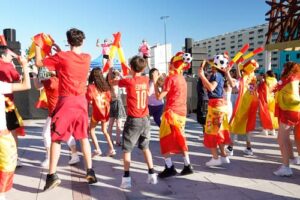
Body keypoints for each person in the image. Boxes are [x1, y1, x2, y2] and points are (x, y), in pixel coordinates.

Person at [35, 28, 97, 191]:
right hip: (81, 103)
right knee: (83, 137)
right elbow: (71, 60)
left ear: (68, 41)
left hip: (66, 102)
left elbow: (39, 63)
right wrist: (60, 51)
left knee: (56, 139)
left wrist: (37, 45)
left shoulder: (62, 57)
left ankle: (52, 175)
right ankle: (90, 170)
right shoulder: (87, 57)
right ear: (82, 41)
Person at [110, 56, 157, 189]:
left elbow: (113, 82)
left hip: (133, 119)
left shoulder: (129, 81)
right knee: (145, 147)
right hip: (146, 119)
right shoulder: (146, 80)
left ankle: (126, 178)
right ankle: (152, 174)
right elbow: (131, 79)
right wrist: (122, 75)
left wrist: (111, 70)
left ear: (131, 67)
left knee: (126, 149)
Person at [153, 52, 194, 177]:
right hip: (182, 113)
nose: (168, 65)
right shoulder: (182, 78)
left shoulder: (170, 78)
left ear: (172, 64)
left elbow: (159, 96)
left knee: (164, 138)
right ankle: (187, 165)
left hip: (171, 113)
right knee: (181, 138)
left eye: (170, 63)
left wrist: (155, 81)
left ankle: (169, 167)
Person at [31, 67, 80, 167]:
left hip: (55, 113)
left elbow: (37, 86)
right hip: (65, 111)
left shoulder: (52, 81)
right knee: (66, 133)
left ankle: (49, 158)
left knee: (46, 134)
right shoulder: (65, 81)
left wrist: (35, 74)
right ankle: (74, 155)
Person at [0, 53, 31, 200]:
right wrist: (24, 65)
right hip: (3, 132)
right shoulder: (2, 80)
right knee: (7, 164)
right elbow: (26, 84)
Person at [198, 55, 231, 167]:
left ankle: (215, 158)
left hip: (216, 107)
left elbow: (211, 88)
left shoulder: (216, 75)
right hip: (219, 106)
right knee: (219, 132)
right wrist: (203, 77)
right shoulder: (220, 75)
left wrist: (202, 75)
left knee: (211, 131)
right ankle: (223, 156)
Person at [227, 60, 259, 157]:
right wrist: (237, 66)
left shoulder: (243, 80)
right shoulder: (253, 79)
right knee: (247, 127)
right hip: (250, 108)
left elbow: (236, 82)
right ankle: (249, 148)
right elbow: (240, 77)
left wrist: (230, 70)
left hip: (241, 107)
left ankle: (230, 148)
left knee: (234, 125)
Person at [273, 62, 300, 176]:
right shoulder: (291, 79)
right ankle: (292, 158)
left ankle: (286, 167)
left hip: (289, 111)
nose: (282, 69)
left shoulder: (292, 79)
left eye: (284, 67)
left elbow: (294, 96)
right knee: (286, 138)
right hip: (289, 111)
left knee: (281, 139)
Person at [0, 45, 24, 167]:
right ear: (3, 55)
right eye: (10, 56)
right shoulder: (8, 66)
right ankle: (15, 158)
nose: (12, 58)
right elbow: (20, 79)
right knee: (12, 130)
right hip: (7, 104)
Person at [86, 67, 116, 157]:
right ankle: (111, 149)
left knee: (91, 130)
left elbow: (88, 99)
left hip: (96, 112)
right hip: (105, 112)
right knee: (104, 130)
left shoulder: (91, 87)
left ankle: (97, 149)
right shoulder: (106, 87)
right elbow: (110, 98)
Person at [107, 68, 126, 146]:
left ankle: (111, 140)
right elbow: (125, 80)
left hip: (112, 103)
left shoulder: (109, 82)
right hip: (117, 103)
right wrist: (119, 73)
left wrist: (111, 72)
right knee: (118, 124)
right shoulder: (114, 82)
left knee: (111, 124)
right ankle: (117, 140)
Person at [257, 70, 278, 136]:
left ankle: (265, 129)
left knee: (264, 114)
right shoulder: (275, 80)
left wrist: (259, 83)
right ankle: (272, 130)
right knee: (272, 114)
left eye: (266, 74)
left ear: (268, 74)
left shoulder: (265, 81)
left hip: (265, 99)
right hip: (272, 98)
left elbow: (260, 89)